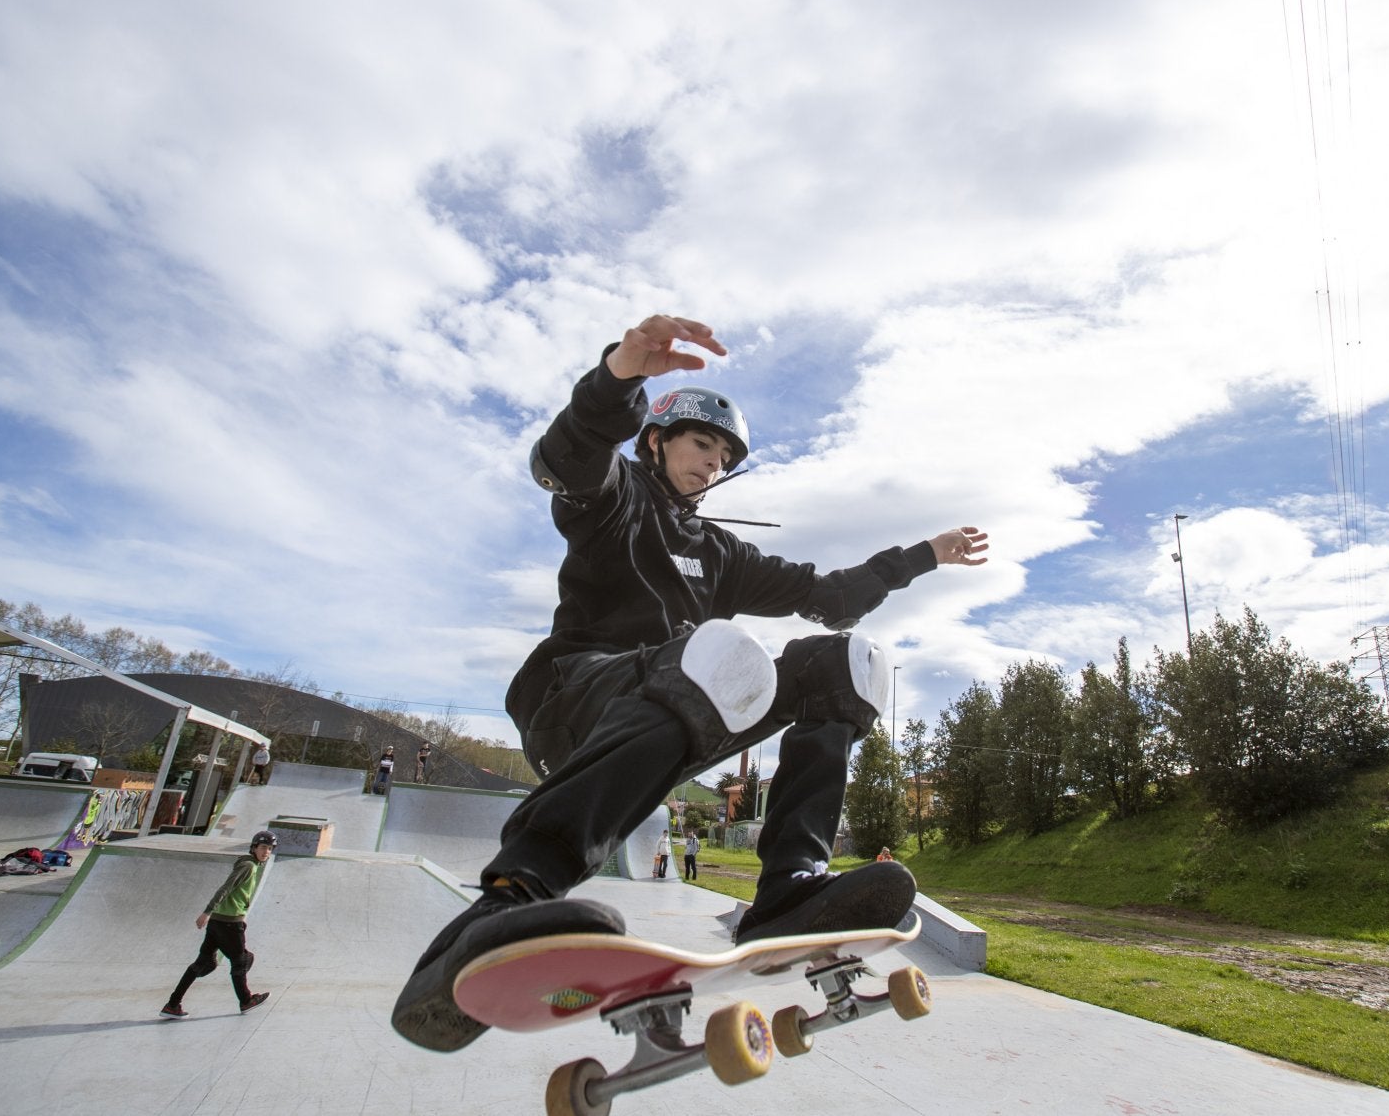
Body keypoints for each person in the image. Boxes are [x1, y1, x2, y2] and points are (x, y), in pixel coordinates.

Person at [392, 313, 988, 1053]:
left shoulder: (721, 552)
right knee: (716, 653)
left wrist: (924, 555)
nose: (712, 462)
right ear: (656, 441)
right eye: (701, 443)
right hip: (574, 706)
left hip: (672, 719)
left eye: (724, 455)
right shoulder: (615, 497)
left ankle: (788, 886)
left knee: (843, 664)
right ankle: (514, 891)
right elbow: (568, 459)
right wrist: (619, 375)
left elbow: (829, 595)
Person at [161, 830, 276, 1018]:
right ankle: (246, 1001)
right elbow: (226, 887)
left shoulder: (250, 864)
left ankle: (172, 1005)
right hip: (229, 924)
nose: (266, 852)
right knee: (241, 962)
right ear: (254, 848)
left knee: (202, 964)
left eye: (270, 849)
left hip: (218, 922)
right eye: (263, 847)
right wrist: (207, 911)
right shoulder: (248, 866)